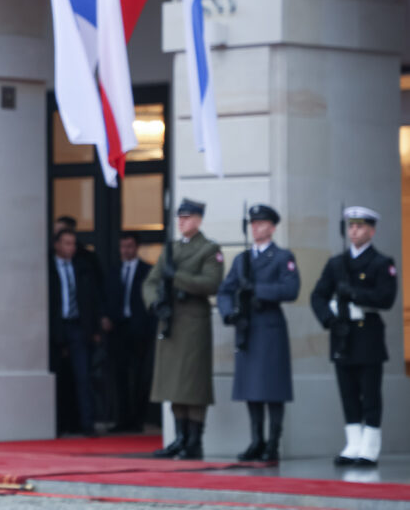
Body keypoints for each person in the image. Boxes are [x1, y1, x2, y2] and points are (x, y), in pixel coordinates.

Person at [310, 206, 397, 467]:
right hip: (342, 334)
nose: (354, 231)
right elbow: (318, 295)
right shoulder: (336, 263)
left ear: (371, 230)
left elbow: (386, 297)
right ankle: (353, 444)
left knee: (369, 394)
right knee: (348, 393)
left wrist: (355, 294)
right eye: (351, 226)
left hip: (367, 335)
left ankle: (370, 447)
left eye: (360, 226)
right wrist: (329, 318)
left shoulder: (382, 263)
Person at [216, 205, 299, 462]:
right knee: (251, 388)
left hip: (270, 326)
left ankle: (273, 442)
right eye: (253, 223)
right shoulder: (242, 260)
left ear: (272, 228)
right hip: (247, 327)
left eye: (261, 223)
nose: (256, 227)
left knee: (272, 388)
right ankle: (256, 440)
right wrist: (229, 312)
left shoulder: (282, 256)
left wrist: (259, 290)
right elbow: (225, 290)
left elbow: (291, 289)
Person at [142, 199, 223, 460]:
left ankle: (194, 441)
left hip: (193, 323)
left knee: (193, 384)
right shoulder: (171, 249)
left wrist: (177, 278)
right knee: (174, 385)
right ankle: (179, 439)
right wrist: (155, 303)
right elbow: (151, 281)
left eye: (187, 218)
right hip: (171, 321)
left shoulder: (209, 249)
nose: (182, 222)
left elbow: (211, 283)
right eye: (180, 217)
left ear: (198, 220)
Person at [50, 228, 104, 436]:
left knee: (83, 376)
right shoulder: (48, 267)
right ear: (57, 244)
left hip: (77, 327)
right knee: (58, 377)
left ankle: (87, 424)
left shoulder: (82, 267)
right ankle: (57, 424)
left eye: (73, 243)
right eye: (66, 243)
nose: (70, 247)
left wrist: (95, 328)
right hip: (56, 327)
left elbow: (93, 300)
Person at [103, 232, 155, 433]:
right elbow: (105, 297)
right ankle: (122, 419)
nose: (126, 250)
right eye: (123, 246)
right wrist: (105, 317)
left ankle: (138, 419)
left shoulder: (147, 271)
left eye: (130, 246)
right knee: (120, 376)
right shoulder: (114, 271)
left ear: (137, 247)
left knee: (140, 376)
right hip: (118, 330)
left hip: (139, 330)